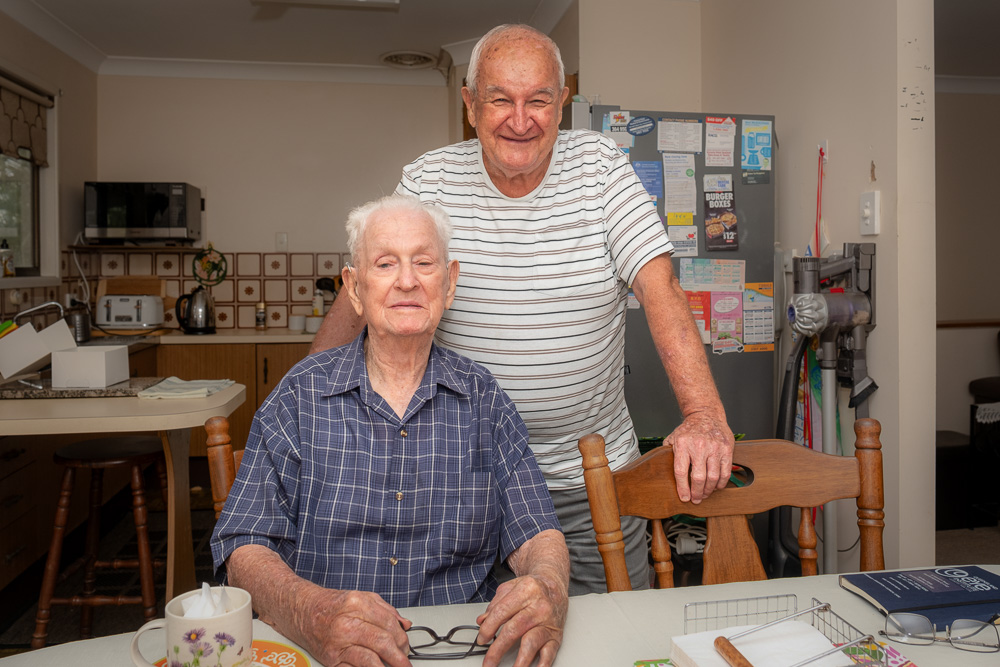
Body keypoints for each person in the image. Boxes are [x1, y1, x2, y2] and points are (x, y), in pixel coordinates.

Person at [310, 24, 735, 594]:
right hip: (462, 482)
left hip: (593, 482)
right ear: (470, 104)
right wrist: (305, 399)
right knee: (469, 640)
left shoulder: (600, 168)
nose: (520, 119)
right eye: (500, 100)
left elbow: (661, 290)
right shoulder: (430, 178)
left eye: (538, 100)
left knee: (607, 641)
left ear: (561, 104)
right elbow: (366, 290)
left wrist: (704, 414)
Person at [212, 194, 569, 667]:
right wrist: (312, 613)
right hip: (319, 649)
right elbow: (242, 547)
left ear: (449, 282)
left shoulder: (485, 399)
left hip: (462, 648)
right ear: (355, 289)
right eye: (385, 264)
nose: (407, 280)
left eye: (424, 262)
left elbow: (538, 533)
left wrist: (546, 588)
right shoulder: (299, 395)